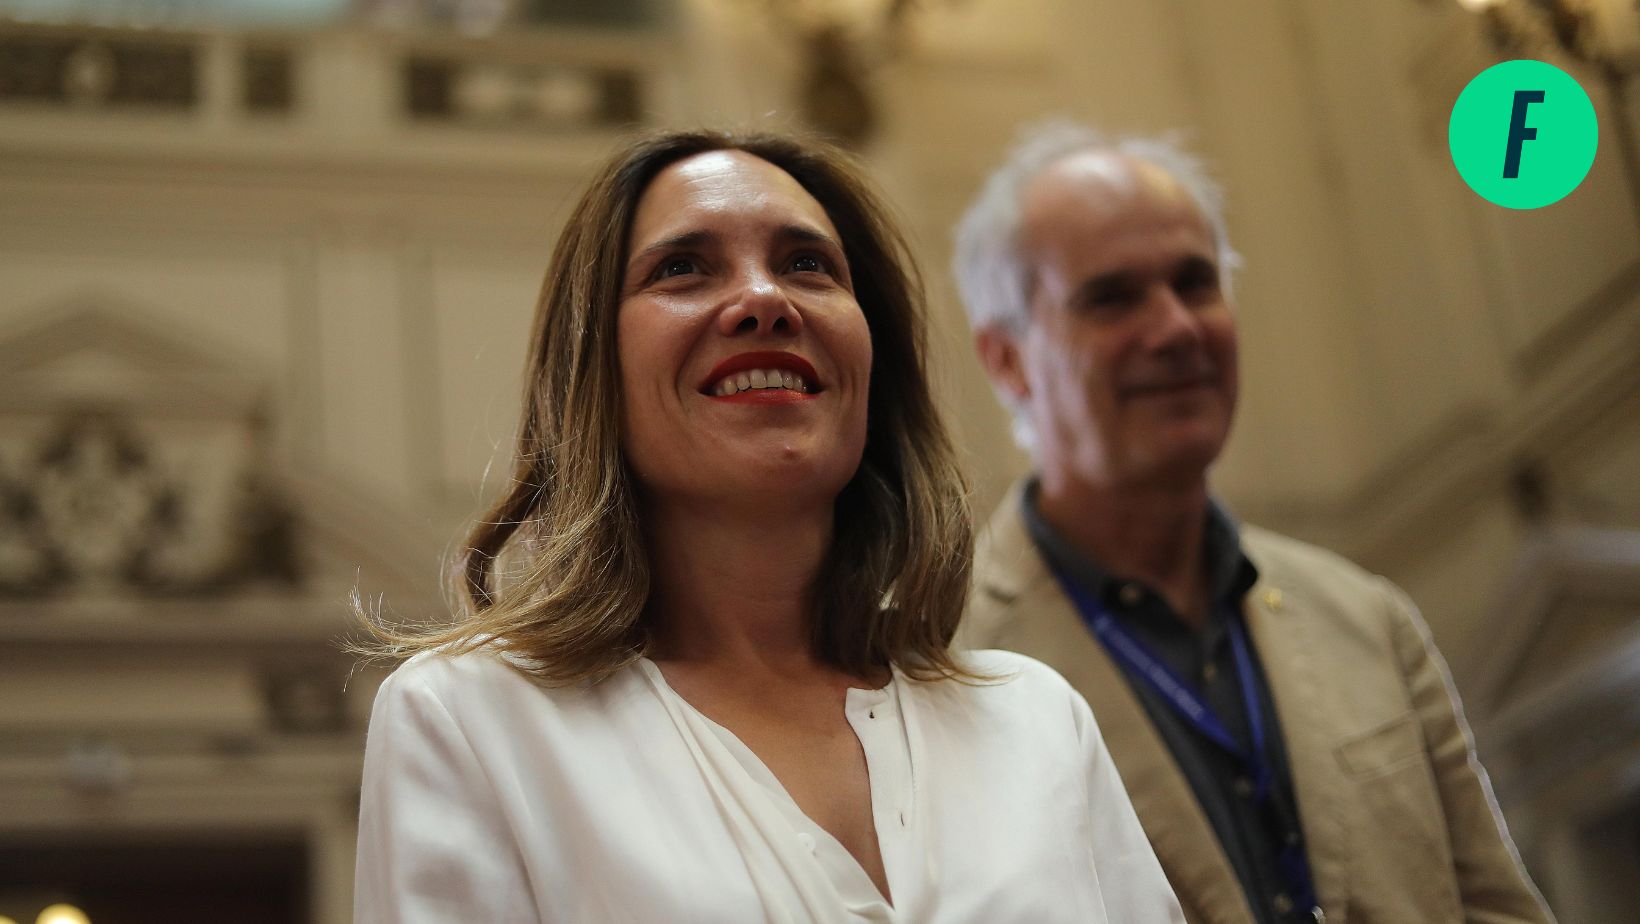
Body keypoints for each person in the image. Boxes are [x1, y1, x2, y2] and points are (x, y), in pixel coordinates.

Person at [352, 128, 1184, 923]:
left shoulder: (1034, 719)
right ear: (592, 368)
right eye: (682, 268)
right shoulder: (472, 722)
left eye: (806, 265)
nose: (763, 299)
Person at [952, 121, 1555, 924]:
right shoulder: (944, 666)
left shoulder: (1365, 618)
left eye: (1195, 282)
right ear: (1007, 358)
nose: (1176, 328)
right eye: (1113, 297)